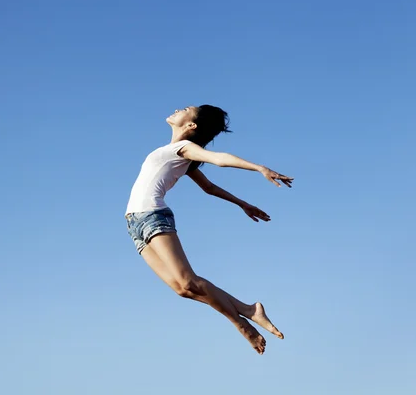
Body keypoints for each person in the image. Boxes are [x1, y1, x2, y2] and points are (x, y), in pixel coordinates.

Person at [124, 105, 294, 355]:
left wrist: (259, 168)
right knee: (183, 289)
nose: (178, 108)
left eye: (186, 109)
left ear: (191, 125)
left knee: (188, 280)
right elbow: (209, 188)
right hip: (134, 223)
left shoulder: (184, 148)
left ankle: (241, 324)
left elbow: (219, 159)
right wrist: (243, 204)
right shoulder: (177, 154)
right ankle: (249, 310)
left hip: (152, 215)